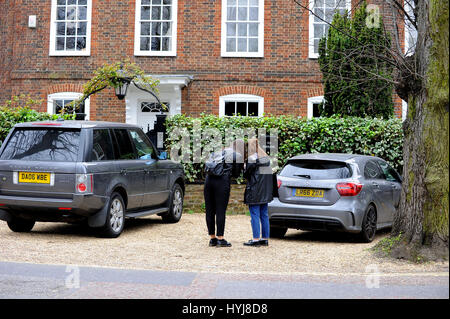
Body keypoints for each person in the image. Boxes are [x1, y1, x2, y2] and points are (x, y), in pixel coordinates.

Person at [204, 140, 244, 247]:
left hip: (208, 181)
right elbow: (236, 173)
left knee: (209, 210)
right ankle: (220, 238)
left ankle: (212, 238)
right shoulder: (237, 155)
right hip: (222, 181)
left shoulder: (216, 152)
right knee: (220, 209)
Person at [243, 138, 273, 247]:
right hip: (265, 192)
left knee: (255, 215)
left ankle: (255, 239)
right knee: (264, 215)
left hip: (254, 191)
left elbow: (246, 175)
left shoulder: (251, 159)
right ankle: (264, 239)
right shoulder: (266, 158)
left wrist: (244, 167)